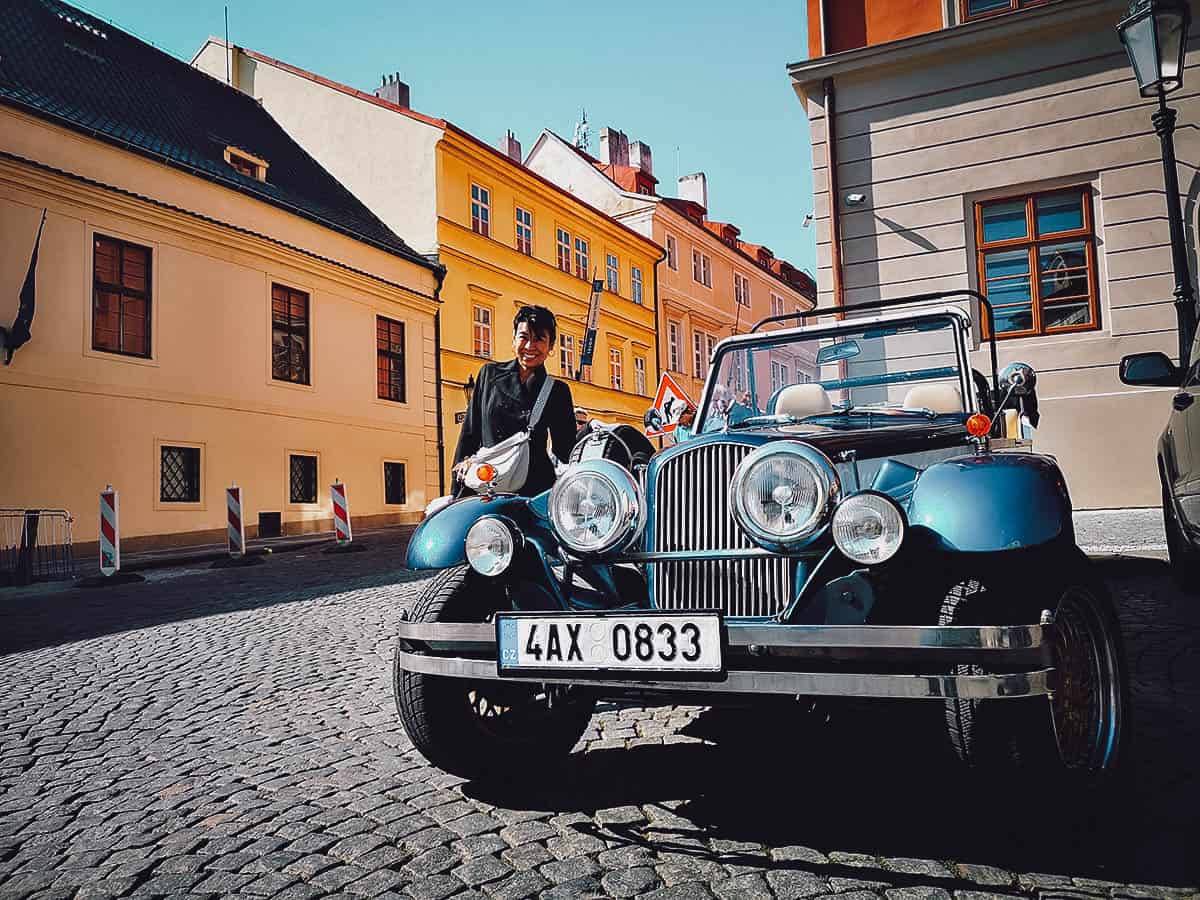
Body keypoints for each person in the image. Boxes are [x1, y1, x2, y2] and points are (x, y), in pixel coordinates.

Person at [453, 305, 576, 496]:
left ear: (551, 346)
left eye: (539, 339)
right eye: (524, 337)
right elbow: (469, 435)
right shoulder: (489, 375)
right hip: (488, 486)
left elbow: (565, 451)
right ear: (514, 338)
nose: (529, 346)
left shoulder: (557, 391)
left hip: (534, 492)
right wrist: (457, 494)